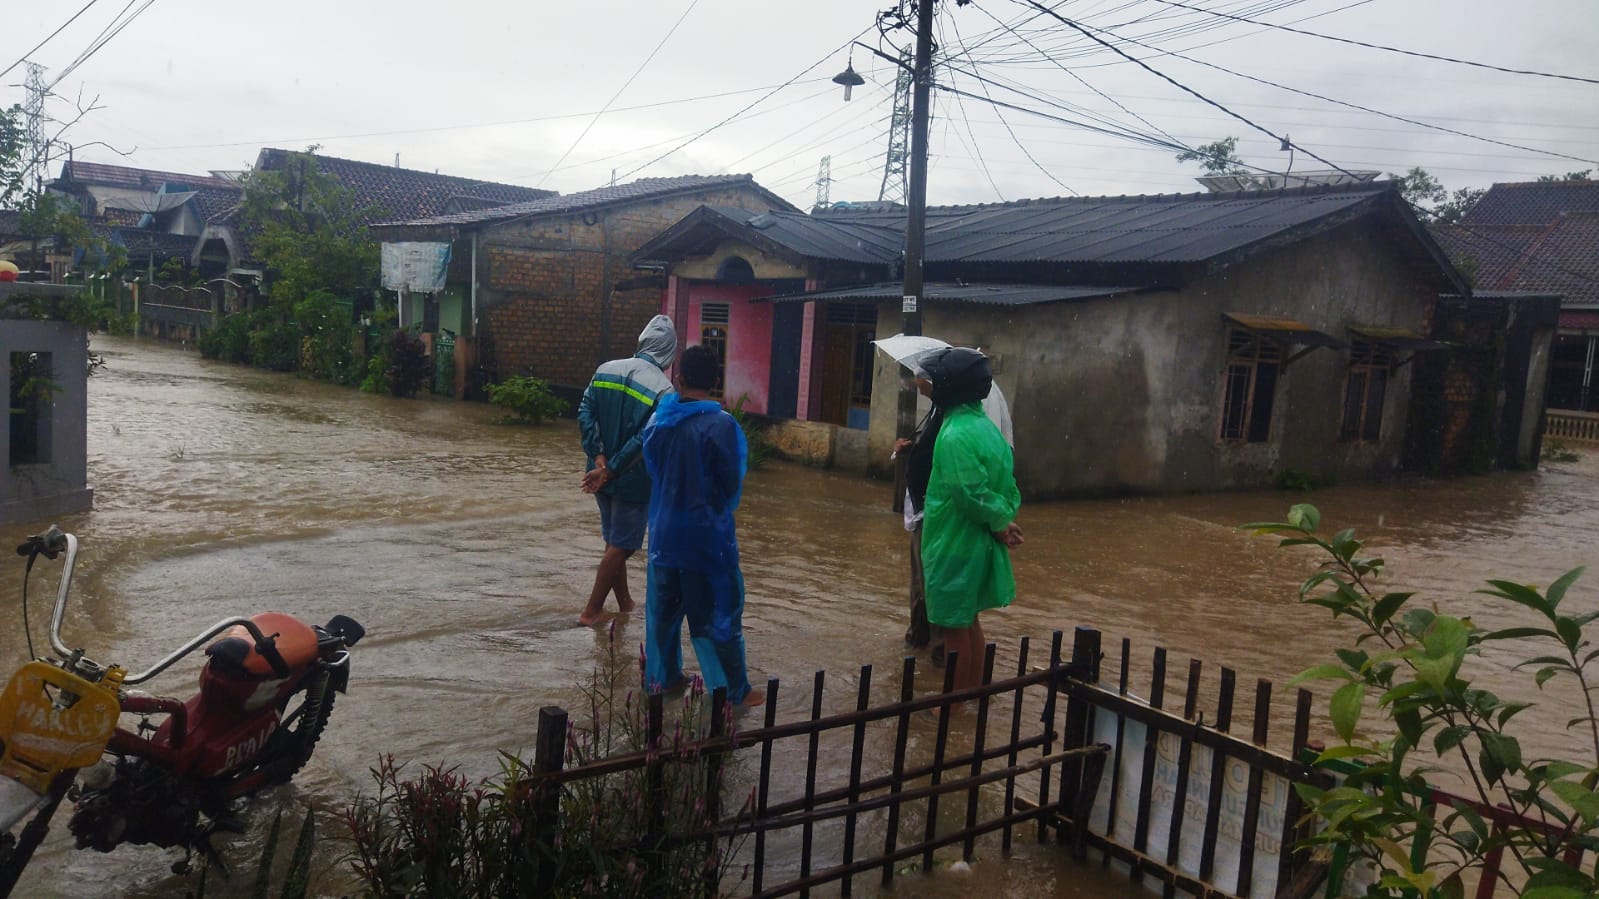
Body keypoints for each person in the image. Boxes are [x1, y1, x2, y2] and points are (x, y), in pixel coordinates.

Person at [639, 345, 763, 708]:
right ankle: (732, 692)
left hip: (663, 536)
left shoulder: (658, 423)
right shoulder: (722, 425)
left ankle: (662, 680)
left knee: (662, 616)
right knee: (717, 616)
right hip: (706, 541)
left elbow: (653, 471)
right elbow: (730, 482)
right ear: (716, 381)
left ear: (678, 377)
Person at [918, 347, 1023, 697]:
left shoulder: (953, 436)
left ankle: (953, 705)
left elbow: (969, 493)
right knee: (969, 622)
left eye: (934, 381)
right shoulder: (985, 428)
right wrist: (1001, 520)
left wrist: (997, 522)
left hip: (953, 544)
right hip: (974, 542)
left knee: (954, 632)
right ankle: (973, 693)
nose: (928, 385)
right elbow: (1004, 487)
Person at [576, 314, 678, 626]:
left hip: (598, 474)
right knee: (622, 546)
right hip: (632, 481)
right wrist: (612, 469)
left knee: (613, 540)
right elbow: (645, 439)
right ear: (669, 351)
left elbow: (585, 413)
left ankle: (624, 602)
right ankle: (592, 611)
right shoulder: (665, 391)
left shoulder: (605, 369)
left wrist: (598, 458)